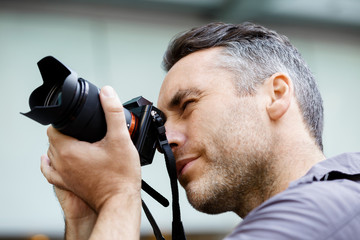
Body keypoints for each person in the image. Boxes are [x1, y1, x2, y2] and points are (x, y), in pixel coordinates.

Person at [40, 22, 360, 239]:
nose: (171, 139)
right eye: (161, 124)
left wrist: (117, 195)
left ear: (276, 95)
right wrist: (87, 221)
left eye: (188, 104)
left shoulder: (325, 209)